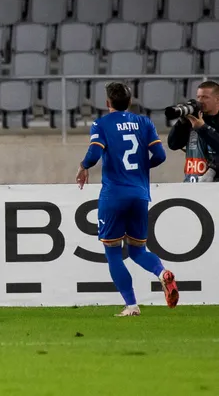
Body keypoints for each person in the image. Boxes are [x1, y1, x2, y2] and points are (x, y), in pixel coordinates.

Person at [75, 82, 178, 317]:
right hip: (140, 195)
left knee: (113, 253)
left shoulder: (101, 124)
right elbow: (160, 155)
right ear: (130, 102)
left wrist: (83, 167)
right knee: (137, 251)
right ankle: (162, 273)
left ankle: (131, 305)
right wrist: (140, 169)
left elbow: (93, 153)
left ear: (107, 103)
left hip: (114, 195)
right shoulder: (144, 122)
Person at [166, 80, 219, 182]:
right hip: (191, 181)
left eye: (205, 97)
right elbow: (173, 144)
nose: (200, 101)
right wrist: (182, 122)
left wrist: (202, 128)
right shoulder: (193, 119)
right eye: (198, 97)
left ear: (217, 99)